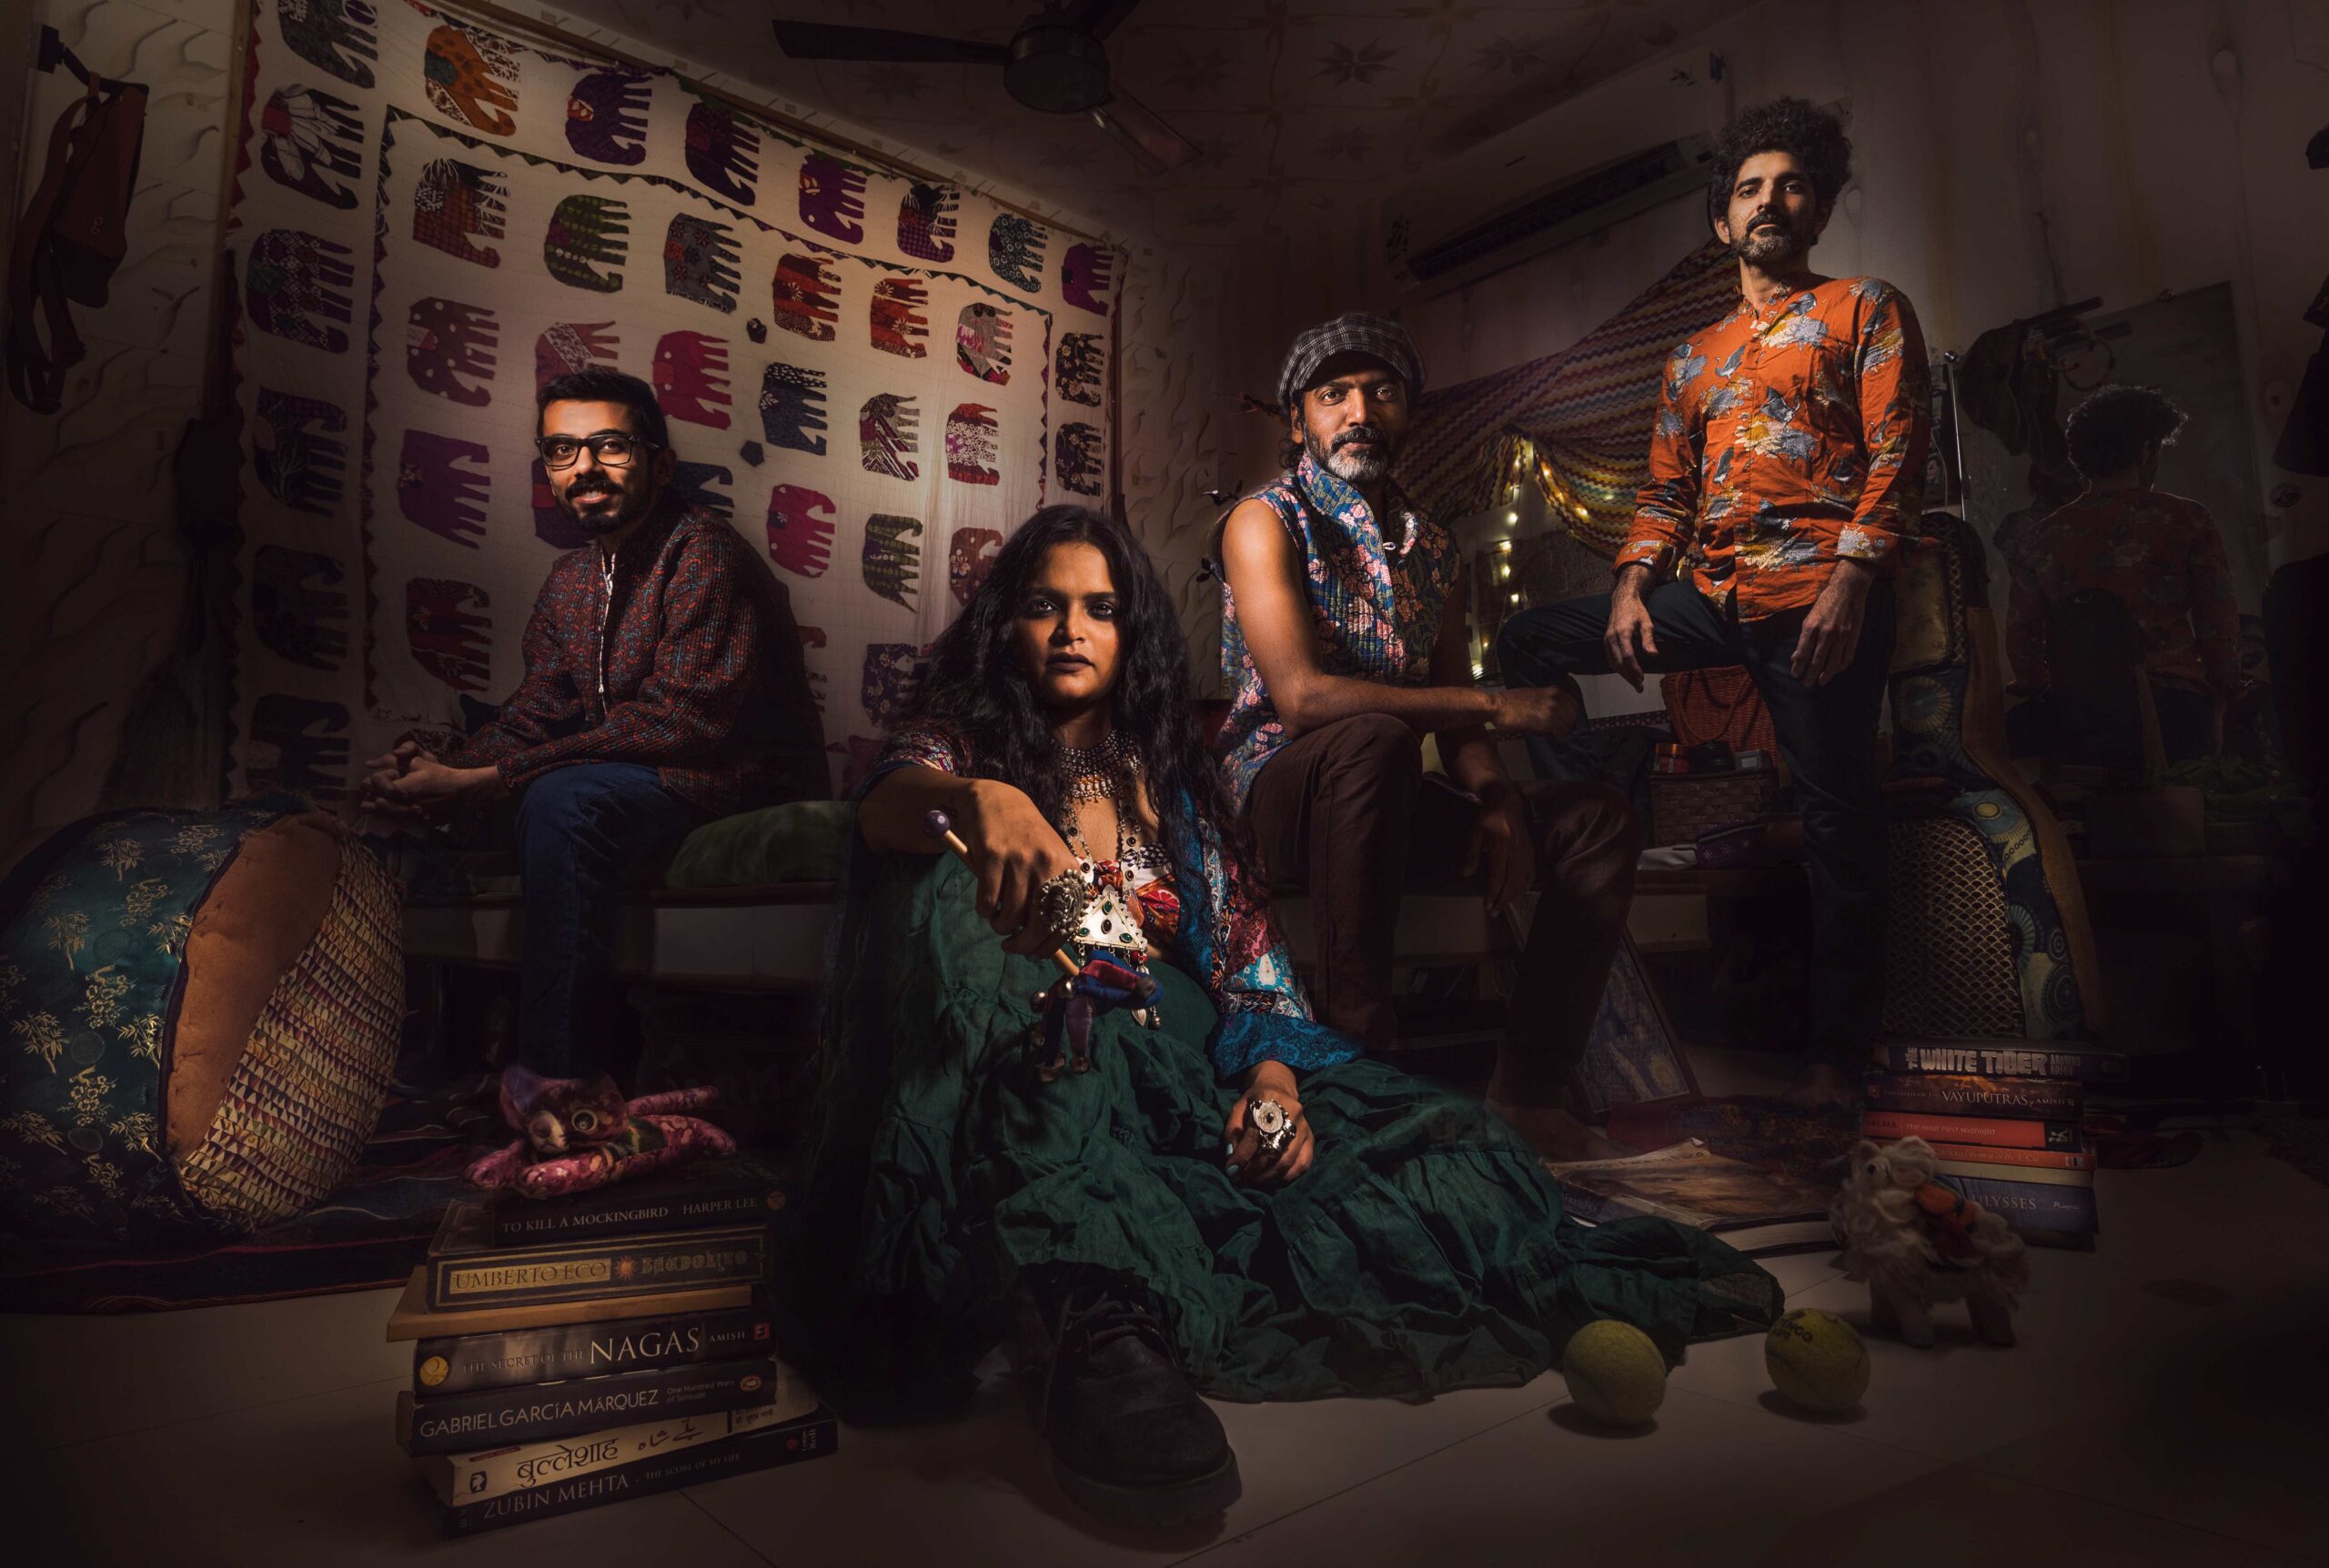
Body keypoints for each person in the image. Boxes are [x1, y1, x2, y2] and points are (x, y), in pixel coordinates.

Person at [781, 505, 1780, 1530]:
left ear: (1134, 635)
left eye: (1100, 609)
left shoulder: (1171, 778)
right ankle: (1090, 1304)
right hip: (1039, 1031)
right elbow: (888, 804)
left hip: (1177, 1047)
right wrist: (978, 797)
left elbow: (1251, 966)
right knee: (956, 902)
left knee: (1451, 1153)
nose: (1071, 630)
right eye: (1043, 607)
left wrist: (1272, 1086)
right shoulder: (959, 742)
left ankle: (1161, 1229)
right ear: (1005, 626)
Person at [1496, 97, 1931, 1109]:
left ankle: (1836, 1051)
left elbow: (1898, 453)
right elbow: (1663, 495)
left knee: (1836, 821)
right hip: (1712, 593)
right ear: (1720, 223)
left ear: (1816, 211)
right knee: (1528, 638)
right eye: (1749, 189)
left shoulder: (1862, 307)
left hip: (1816, 594)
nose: (1770, 202)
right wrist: (1630, 583)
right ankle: (1590, 823)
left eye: (1791, 186)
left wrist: (1853, 582)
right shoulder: (1689, 357)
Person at [1215, 312, 1638, 1161]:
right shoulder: (1264, 519)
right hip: (1276, 804)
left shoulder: (1432, 547)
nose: (1359, 412)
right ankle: (1358, 1078)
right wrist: (1492, 708)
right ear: (1298, 419)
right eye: (1333, 395)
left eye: (1381, 393)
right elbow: (1299, 700)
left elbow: (1443, 700)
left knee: (1594, 816)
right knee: (1371, 737)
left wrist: (1490, 794)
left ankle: (1528, 1091)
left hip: (1384, 800)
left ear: (1409, 414)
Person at [358, 367, 824, 1074]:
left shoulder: (704, 550)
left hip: (727, 780)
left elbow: (683, 723)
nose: (585, 470)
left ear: (659, 463)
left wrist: (493, 773)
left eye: (611, 446)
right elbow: (538, 710)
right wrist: (439, 770)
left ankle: (560, 1082)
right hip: (637, 780)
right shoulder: (570, 581)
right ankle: (442, 1065)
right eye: (562, 452)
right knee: (441, 807)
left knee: (561, 800)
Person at [2000, 384, 2239, 762]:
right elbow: (2217, 622)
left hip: (2078, 716)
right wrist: (2225, 695)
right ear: (2146, 450)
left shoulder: (2040, 538)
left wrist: (2042, 688)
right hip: (2173, 707)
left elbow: (2023, 637)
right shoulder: (2185, 519)